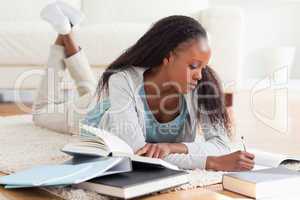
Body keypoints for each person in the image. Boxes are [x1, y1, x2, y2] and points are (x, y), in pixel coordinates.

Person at [33, 1, 255, 171]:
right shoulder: (123, 80)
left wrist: (171, 147)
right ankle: (63, 32)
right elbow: (136, 152)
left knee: (91, 87)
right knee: (42, 112)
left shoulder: (200, 86)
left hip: (113, 98)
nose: (200, 75)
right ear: (168, 58)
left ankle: (68, 32)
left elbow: (222, 144)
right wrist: (211, 163)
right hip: (94, 113)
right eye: (193, 66)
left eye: (203, 66)